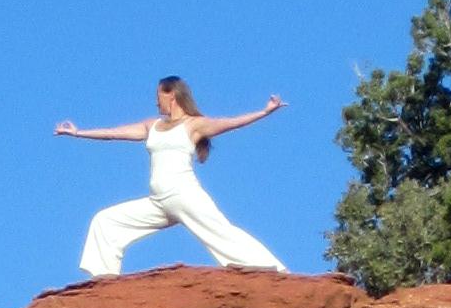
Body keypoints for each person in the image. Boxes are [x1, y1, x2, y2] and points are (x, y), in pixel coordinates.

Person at [56, 76, 288, 277]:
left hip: (184, 195)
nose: (156, 101)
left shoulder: (193, 125)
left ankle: (274, 270)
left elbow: (230, 123)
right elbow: (114, 134)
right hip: (158, 203)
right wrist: (78, 133)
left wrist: (264, 111)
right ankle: (104, 277)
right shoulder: (152, 126)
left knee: (221, 232)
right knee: (106, 221)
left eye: (158, 95)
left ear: (172, 95)